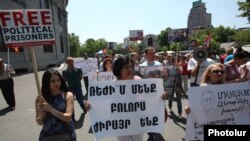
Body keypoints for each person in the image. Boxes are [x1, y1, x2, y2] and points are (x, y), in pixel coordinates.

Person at [35, 69, 76, 141]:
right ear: (47, 83)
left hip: (67, 135)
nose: (57, 83)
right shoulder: (41, 99)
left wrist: (50, 109)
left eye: (58, 80)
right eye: (53, 81)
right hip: (48, 136)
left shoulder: (68, 95)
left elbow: (68, 117)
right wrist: (41, 116)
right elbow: (39, 122)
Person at [139, 47, 166, 141]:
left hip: (158, 94)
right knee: (148, 114)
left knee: (160, 113)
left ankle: (156, 130)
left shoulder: (159, 64)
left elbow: (163, 78)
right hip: (146, 96)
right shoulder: (142, 66)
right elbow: (140, 81)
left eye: (154, 53)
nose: (153, 55)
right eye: (151, 53)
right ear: (146, 55)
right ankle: (150, 133)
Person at [62, 57, 86, 121]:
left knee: (80, 101)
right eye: (69, 62)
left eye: (72, 61)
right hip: (70, 89)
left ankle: (84, 108)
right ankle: (72, 117)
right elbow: (64, 80)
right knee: (71, 103)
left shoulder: (78, 69)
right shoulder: (64, 71)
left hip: (78, 88)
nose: (71, 63)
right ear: (66, 63)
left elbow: (80, 77)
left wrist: (76, 82)